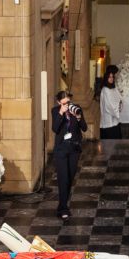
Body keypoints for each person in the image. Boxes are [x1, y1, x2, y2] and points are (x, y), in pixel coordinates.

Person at [51, 91, 88, 220]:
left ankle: (61, 207)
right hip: (61, 149)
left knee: (70, 178)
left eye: (69, 102)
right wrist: (61, 113)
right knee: (63, 179)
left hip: (74, 149)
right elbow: (55, 129)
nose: (67, 105)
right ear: (59, 102)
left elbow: (84, 128)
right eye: (65, 103)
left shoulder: (76, 109)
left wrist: (78, 117)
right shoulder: (55, 111)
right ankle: (64, 208)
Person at [99, 68, 122, 140]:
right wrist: (116, 110)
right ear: (106, 78)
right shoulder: (105, 90)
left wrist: (120, 103)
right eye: (109, 77)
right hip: (108, 120)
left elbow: (120, 98)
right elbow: (109, 105)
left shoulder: (114, 88)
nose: (111, 79)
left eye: (112, 77)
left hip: (115, 120)